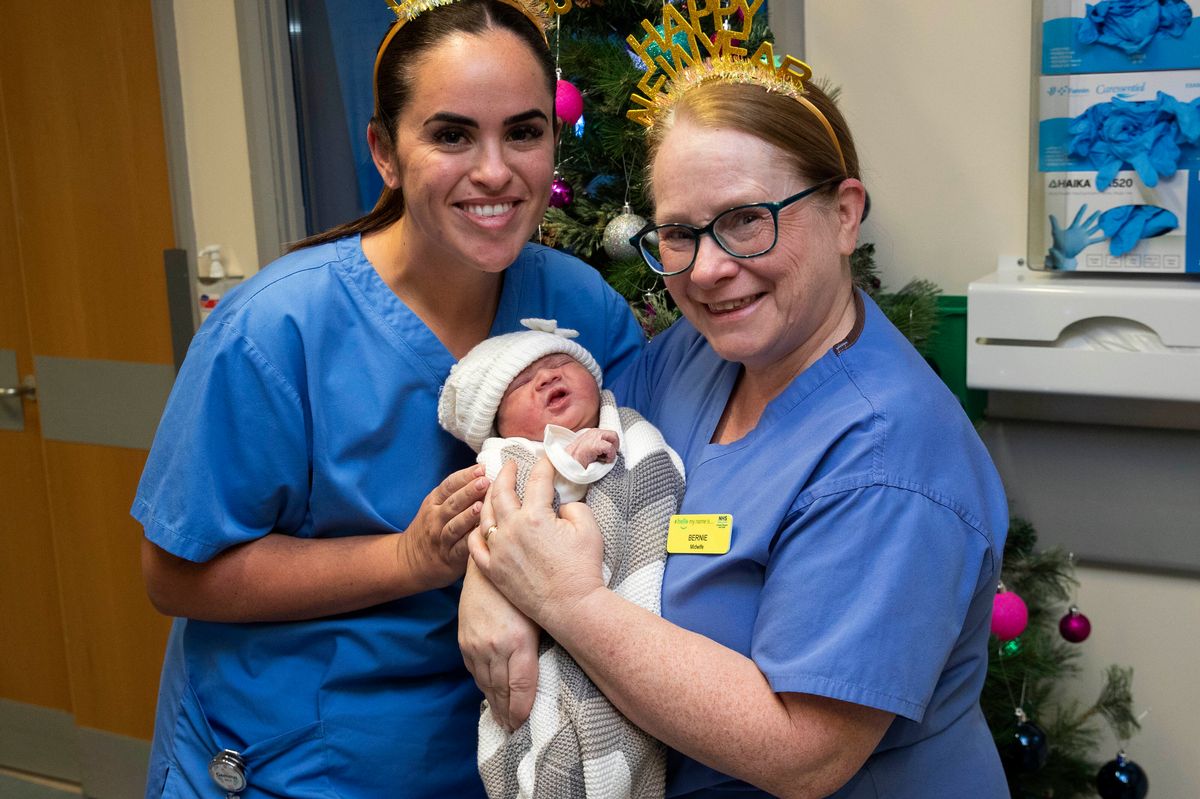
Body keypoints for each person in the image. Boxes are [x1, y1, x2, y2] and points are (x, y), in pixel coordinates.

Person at [460, 9, 1011, 799]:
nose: (710, 269)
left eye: (747, 220)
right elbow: (561, 460)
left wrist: (563, 600)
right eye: (679, 233)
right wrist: (489, 586)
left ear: (845, 213)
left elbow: (802, 753)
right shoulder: (703, 352)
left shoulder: (888, 460)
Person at [131, 1, 643, 797]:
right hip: (300, 763)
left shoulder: (585, 310)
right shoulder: (276, 330)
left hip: (506, 759)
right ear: (385, 151)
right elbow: (174, 575)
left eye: (524, 131)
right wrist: (406, 559)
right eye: (451, 135)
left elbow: (636, 497)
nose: (495, 170)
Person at [440, 318, 684, 799]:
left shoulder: (629, 427)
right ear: (497, 424)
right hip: (555, 641)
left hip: (621, 627)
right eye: (521, 385)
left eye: (559, 363)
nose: (547, 378)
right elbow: (539, 499)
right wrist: (576, 457)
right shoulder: (508, 456)